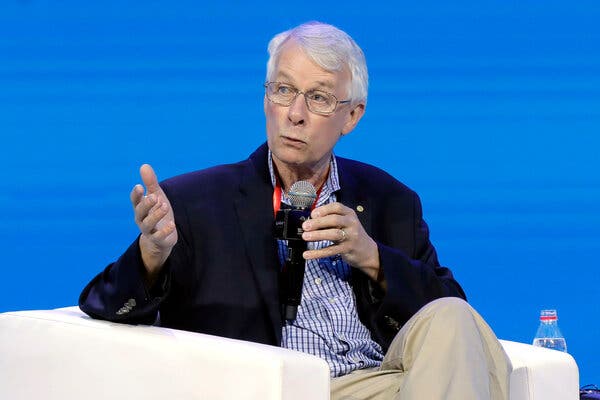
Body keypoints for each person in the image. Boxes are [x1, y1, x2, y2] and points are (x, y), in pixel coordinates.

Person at [79, 21, 511, 400]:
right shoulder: (196, 202)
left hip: (386, 381)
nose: (295, 114)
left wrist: (374, 259)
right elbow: (106, 305)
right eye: (284, 90)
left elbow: (453, 321)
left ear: (352, 116)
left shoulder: (389, 199)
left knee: (456, 321)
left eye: (319, 98)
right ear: (266, 98)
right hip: (285, 387)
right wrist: (152, 253)